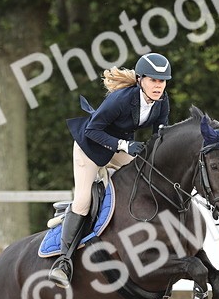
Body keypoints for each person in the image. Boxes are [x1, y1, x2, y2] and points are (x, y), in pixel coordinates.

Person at [51, 52, 171, 287]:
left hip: (116, 149)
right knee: (84, 200)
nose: (159, 86)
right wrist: (126, 145)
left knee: (144, 181)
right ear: (140, 80)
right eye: (153, 80)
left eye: (163, 80)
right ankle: (63, 262)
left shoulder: (162, 101)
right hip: (90, 148)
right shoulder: (122, 99)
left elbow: (160, 136)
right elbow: (92, 131)